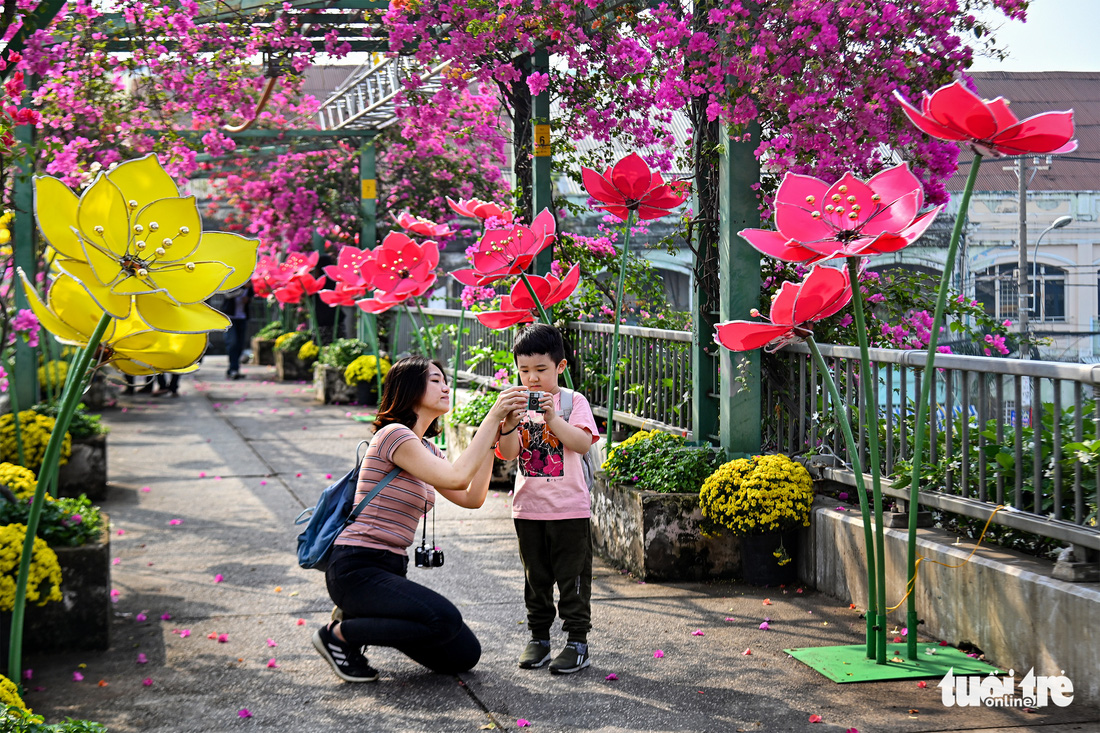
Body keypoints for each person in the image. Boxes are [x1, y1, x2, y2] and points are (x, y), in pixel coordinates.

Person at [314, 355, 528, 682]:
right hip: (357, 567)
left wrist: (495, 436)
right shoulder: (394, 436)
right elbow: (457, 477)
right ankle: (340, 634)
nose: (446, 386)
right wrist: (493, 415)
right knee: (443, 619)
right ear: (409, 388)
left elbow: (471, 497)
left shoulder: (429, 450)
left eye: (445, 380)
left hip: (390, 569)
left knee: (463, 654)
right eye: (435, 380)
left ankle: (357, 619)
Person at [496, 324, 600, 675]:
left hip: (570, 509)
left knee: (573, 578)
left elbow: (583, 444)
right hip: (528, 509)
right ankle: (539, 638)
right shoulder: (514, 403)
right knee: (535, 580)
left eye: (541, 370)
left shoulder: (573, 401)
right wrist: (509, 422)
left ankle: (577, 642)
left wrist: (552, 418)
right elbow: (508, 454)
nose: (532, 378)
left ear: (560, 366)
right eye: (524, 370)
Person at [220, 285, 252, 379]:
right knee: (232, 343)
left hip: (242, 318)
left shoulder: (250, 287)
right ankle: (233, 369)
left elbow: (251, 297)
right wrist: (242, 289)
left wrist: (248, 299)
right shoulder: (234, 283)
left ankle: (234, 369)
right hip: (230, 319)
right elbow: (227, 295)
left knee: (239, 345)